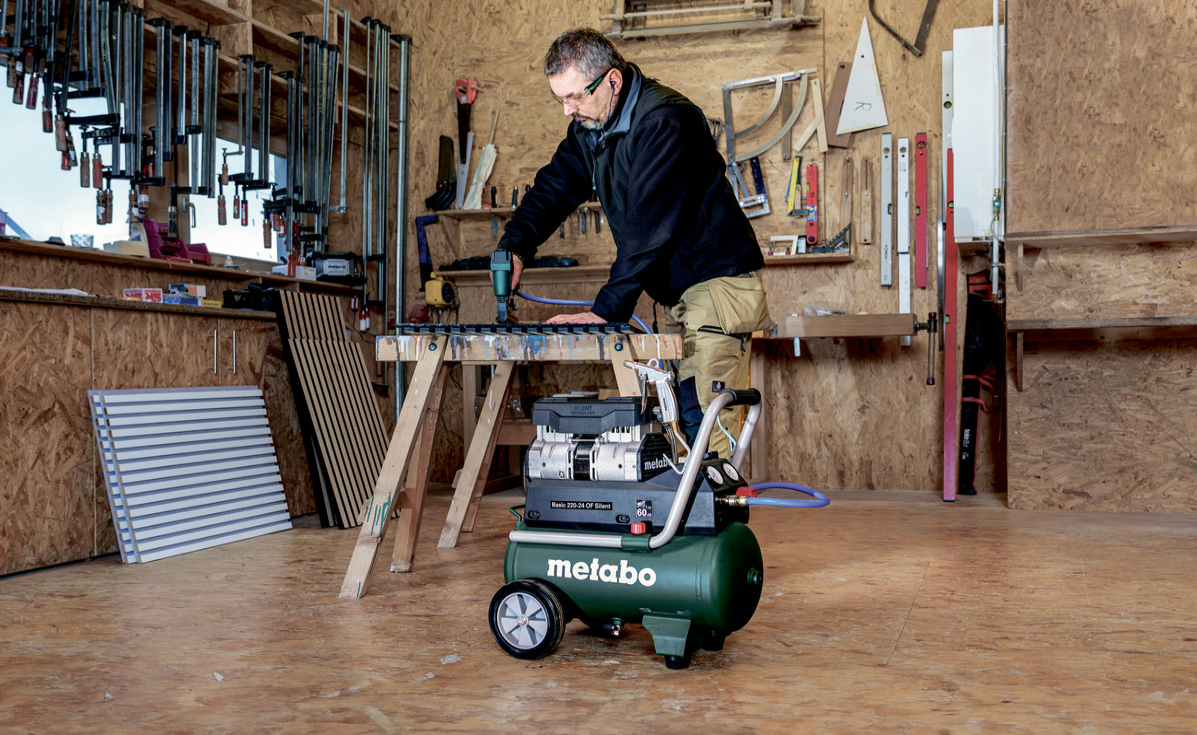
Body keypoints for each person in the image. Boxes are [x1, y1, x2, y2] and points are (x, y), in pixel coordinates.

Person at [493, 27, 770, 458]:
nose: (567, 110)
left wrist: (606, 312)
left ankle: (716, 504)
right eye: (559, 99)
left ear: (612, 82)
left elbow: (647, 228)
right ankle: (692, 503)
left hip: (717, 288)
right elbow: (554, 187)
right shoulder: (592, 127)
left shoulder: (665, 121)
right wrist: (515, 246)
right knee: (682, 430)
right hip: (683, 294)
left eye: (575, 97)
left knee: (705, 431)